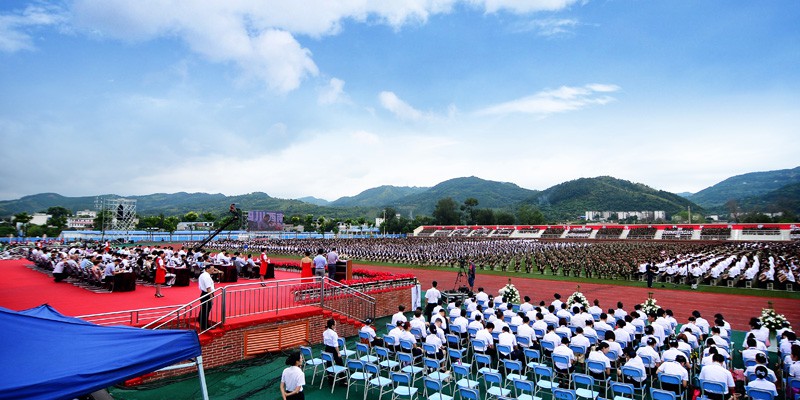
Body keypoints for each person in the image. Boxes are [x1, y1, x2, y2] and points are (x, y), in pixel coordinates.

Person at [323, 319, 344, 385]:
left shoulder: (325, 332)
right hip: (334, 349)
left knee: (329, 363)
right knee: (340, 363)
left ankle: (330, 378)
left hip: (327, 348)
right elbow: (335, 345)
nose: (336, 325)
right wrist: (338, 353)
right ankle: (342, 379)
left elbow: (325, 342)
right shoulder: (334, 334)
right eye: (335, 324)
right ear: (332, 326)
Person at [198, 263, 215, 331]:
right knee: (206, 310)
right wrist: (211, 298)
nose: (213, 270)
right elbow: (208, 288)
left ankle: (202, 322)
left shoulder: (203, 274)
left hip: (204, 293)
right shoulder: (207, 277)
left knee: (204, 309)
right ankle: (205, 325)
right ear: (207, 269)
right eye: (212, 269)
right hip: (207, 294)